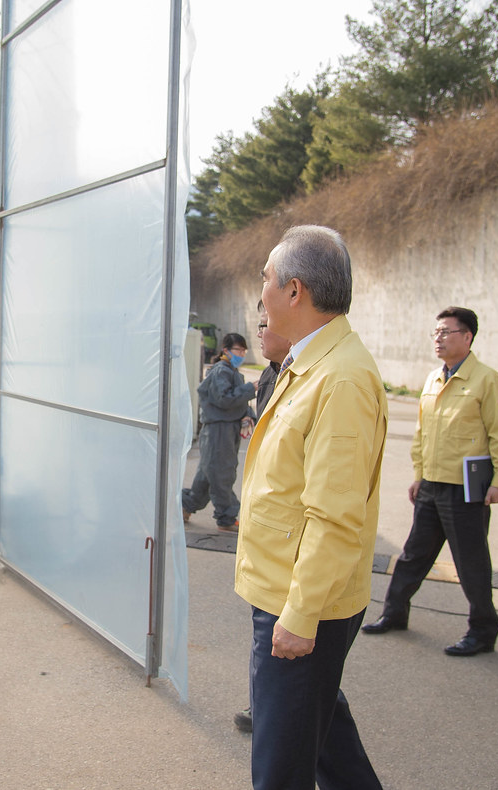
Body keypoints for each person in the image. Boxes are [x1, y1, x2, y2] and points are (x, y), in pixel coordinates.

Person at [236, 225, 386, 789]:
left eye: (267, 280)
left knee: (280, 765)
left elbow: (336, 516)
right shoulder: (311, 364)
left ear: (295, 291)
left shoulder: (340, 378)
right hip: (290, 590)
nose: (263, 293)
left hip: (302, 605)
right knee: (325, 741)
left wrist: (298, 618)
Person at [362, 306, 498, 656]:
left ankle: (483, 630)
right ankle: (394, 613)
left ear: (468, 336)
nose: (439, 338)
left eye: (446, 332)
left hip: (466, 489)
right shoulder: (433, 379)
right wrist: (419, 476)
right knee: (413, 555)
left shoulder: (487, 380)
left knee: (471, 562)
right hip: (432, 484)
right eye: (436, 333)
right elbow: (423, 434)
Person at [233, 299, 291, 735]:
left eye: (265, 323)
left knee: (286, 657)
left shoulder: (314, 378)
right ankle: (265, 703)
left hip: (288, 544)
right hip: (266, 537)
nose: (259, 331)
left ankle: (266, 706)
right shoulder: (270, 375)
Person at [182, 333, 256, 532]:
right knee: (221, 473)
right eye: (238, 350)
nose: (241, 354)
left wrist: (247, 414)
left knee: (208, 474)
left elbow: (237, 402)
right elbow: (224, 399)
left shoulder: (232, 371)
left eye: (243, 350)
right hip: (218, 430)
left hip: (226, 429)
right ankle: (227, 517)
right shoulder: (220, 372)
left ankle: (185, 505)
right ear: (226, 351)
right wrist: (251, 388)